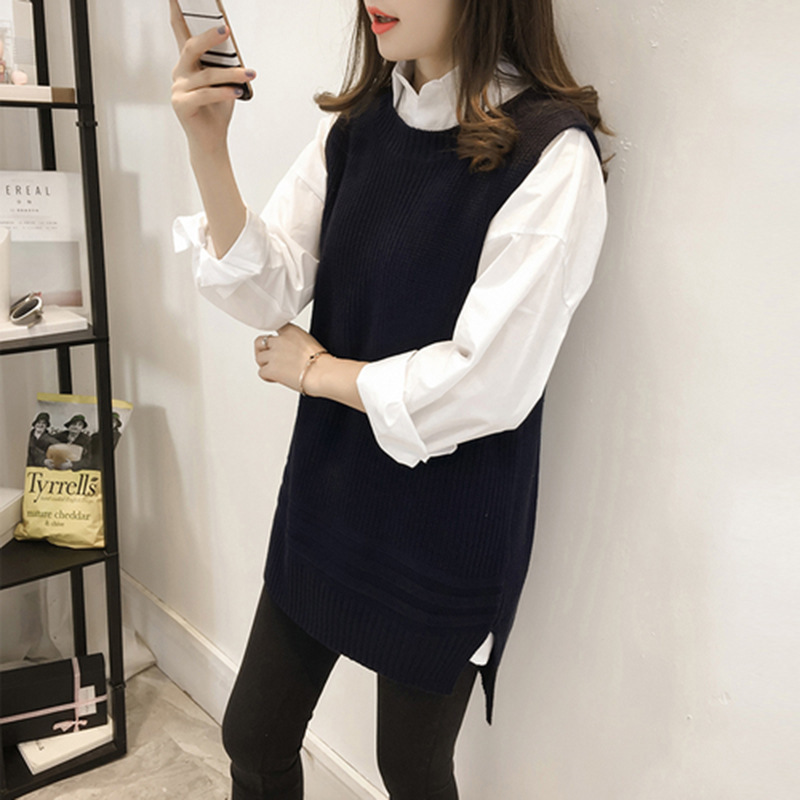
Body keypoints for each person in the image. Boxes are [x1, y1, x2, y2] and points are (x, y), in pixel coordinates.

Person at [170, 1, 609, 798]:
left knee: (409, 769)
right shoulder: (358, 125)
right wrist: (208, 146)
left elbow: (490, 382)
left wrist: (319, 372)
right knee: (254, 736)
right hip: (330, 493)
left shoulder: (552, 153)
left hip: (447, 523)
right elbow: (271, 287)